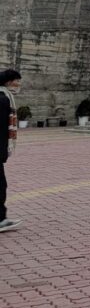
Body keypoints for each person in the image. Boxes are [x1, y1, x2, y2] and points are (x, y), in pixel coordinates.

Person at [0, 69, 23, 233]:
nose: (18, 84)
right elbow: (1, 129)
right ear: (8, 82)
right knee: (0, 186)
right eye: (17, 81)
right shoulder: (3, 99)